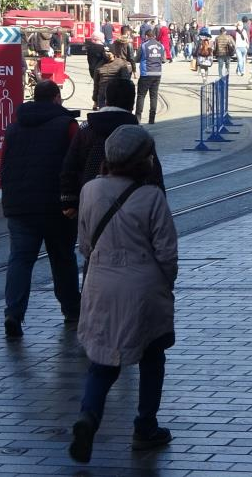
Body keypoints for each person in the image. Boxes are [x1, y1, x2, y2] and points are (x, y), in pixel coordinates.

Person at [68, 125, 178, 464]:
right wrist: (165, 284)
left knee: (102, 361)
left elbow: (84, 243)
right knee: (152, 356)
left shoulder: (89, 191)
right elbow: (167, 252)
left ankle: (89, 416)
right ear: (143, 161)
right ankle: (145, 427)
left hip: (100, 284)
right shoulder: (151, 197)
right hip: (143, 288)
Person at [0, 80, 81, 339]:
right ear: (57, 98)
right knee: (63, 259)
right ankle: (71, 310)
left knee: (20, 260)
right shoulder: (67, 126)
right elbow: (76, 162)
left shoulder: (13, 128)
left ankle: (13, 313)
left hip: (20, 206)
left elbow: (3, 164)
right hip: (57, 207)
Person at [61, 80, 165, 220]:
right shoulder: (140, 135)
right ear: (132, 103)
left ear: (107, 100)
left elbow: (70, 165)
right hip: (133, 206)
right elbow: (155, 176)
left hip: (92, 201)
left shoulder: (86, 129)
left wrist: (69, 200)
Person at [135, 28, 165, 125]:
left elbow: (137, 58)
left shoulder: (143, 46)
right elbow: (163, 59)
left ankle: (138, 118)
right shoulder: (161, 46)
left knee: (141, 95)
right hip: (157, 73)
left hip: (146, 73)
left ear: (147, 36)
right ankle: (152, 119)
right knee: (154, 96)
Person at [91, 44, 132, 110]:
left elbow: (126, 81)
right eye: (104, 52)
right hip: (102, 95)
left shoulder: (121, 64)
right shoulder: (99, 65)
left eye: (108, 52)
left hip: (116, 94)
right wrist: (95, 100)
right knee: (104, 115)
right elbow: (96, 84)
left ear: (113, 53)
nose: (106, 54)